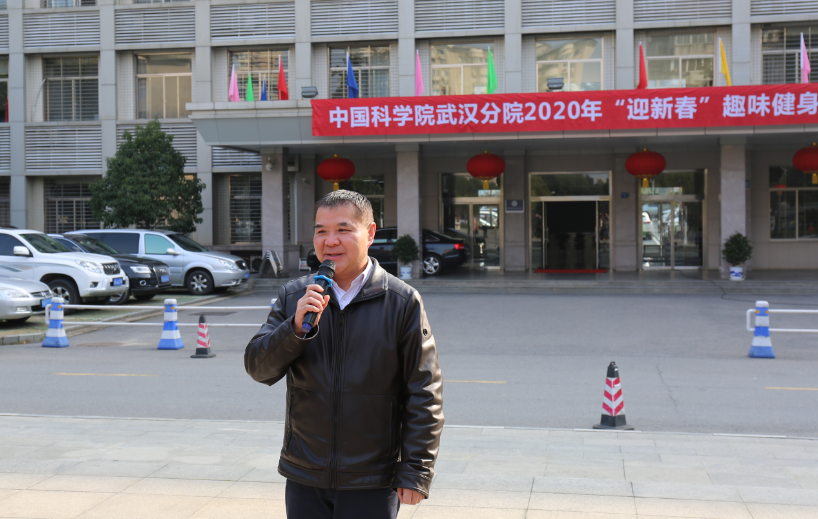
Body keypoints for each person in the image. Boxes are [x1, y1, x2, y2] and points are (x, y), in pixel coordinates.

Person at [245, 190, 443, 519]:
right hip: (305, 475)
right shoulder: (294, 296)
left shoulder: (401, 301)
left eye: (343, 229)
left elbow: (424, 391)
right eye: (321, 231)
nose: (330, 241)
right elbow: (258, 368)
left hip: (372, 479)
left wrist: (415, 470)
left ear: (370, 233)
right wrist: (294, 329)